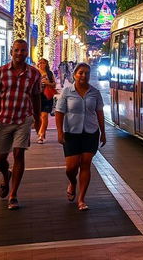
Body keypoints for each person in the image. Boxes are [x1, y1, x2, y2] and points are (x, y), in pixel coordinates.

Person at [0, 39, 42, 210]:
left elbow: (36, 96)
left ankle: (13, 194)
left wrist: (38, 118)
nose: (20, 53)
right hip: (3, 119)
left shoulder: (34, 74)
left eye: (23, 50)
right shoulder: (1, 72)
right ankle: (6, 175)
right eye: (17, 50)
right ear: (11, 52)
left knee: (19, 154)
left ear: (27, 53)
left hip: (23, 120)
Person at [55, 63, 106, 211]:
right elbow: (59, 112)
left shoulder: (95, 92)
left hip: (90, 132)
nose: (84, 76)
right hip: (71, 132)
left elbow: (99, 113)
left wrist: (103, 133)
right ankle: (72, 182)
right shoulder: (67, 92)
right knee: (71, 168)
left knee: (85, 163)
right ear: (75, 74)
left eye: (87, 73)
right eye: (81, 73)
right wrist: (59, 132)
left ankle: (81, 199)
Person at [36, 58, 57, 144]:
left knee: (44, 115)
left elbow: (54, 84)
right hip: (37, 96)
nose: (41, 64)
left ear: (46, 64)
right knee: (39, 117)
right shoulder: (35, 73)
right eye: (40, 63)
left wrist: (47, 83)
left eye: (43, 63)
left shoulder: (49, 73)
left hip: (47, 96)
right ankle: (42, 133)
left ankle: (41, 135)